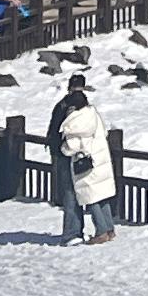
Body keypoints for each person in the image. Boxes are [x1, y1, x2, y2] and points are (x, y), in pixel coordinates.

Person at [49, 74, 117, 245]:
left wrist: (61, 147)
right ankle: (108, 228)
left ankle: (90, 232)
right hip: (98, 159)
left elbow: (72, 145)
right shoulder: (91, 112)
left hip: (81, 162)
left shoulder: (72, 118)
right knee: (100, 194)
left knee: (86, 195)